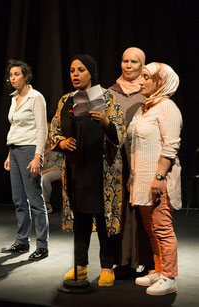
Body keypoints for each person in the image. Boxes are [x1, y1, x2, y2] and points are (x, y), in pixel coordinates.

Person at [50, 54, 124, 286]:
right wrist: (61, 142)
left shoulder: (109, 98)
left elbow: (120, 133)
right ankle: (80, 267)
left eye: (80, 70)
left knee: (103, 219)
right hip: (75, 168)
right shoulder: (66, 100)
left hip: (102, 169)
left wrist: (104, 123)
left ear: (91, 72)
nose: (75, 74)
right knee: (81, 218)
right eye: (72, 70)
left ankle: (106, 268)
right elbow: (53, 130)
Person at [128, 63, 182, 295]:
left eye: (146, 77)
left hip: (158, 180)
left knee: (163, 229)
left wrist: (159, 177)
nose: (141, 81)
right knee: (151, 229)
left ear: (160, 82)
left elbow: (171, 146)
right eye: (141, 77)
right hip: (142, 179)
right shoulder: (147, 107)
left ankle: (169, 276)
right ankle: (159, 270)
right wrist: (133, 176)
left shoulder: (167, 107)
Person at [109, 47, 154, 278]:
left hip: (141, 160)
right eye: (125, 61)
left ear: (142, 65)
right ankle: (123, 262)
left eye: (134, 62)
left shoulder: (148, 93)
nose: (128, 66)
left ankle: (146, 262)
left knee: (141, 211)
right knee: (120, 212)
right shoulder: (110, 92)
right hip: (116, 163)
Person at [1, 59, 50, 261]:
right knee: (19, 199)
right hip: (15, 150)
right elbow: (15, 128)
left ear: (26, 76)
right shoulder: (14, 98)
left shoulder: (35, 97)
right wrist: (9, 154)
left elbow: (42, 129)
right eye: (11, 75)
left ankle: (42, 245)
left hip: (30, 150)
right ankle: (22, 241)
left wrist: (38, 156)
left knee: (35, 199)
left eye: (17, 74)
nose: (13, 78)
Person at [42, 123, 63, 214]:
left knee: (44, 178)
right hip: (45, 169)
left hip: (57, 170)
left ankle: (47, 203)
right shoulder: (41, 144)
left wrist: (44, 171)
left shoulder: (56, 143)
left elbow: (58, 166)